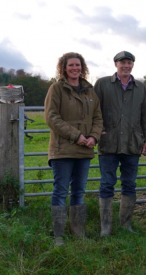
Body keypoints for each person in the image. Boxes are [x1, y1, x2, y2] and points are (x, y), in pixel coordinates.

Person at [45, 52, 103, 246]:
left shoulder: (89, 90)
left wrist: (93, 137)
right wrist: (76, 136)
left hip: (85, 149)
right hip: (63, 149)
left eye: (78, 65)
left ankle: (78, 232)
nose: (75, 68)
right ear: (64, 67)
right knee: (61, 190)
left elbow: (98, 118)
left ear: (82, 67)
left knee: (79, 191)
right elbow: (52, 118)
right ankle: (59, 236)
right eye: (71, 65)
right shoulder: (57, 89)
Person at [94, 51, 146, 237]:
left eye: (129, 63)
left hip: (132, 144)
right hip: (109, 143)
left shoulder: (141, 88)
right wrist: (97, 130)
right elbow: (94, 111)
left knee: (129, 184)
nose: (126, 66)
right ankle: (106, 227)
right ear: (115, 64)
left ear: (132, 65)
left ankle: (125, 224)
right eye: (122, 63)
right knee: (106, 184)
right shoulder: (103, 84)